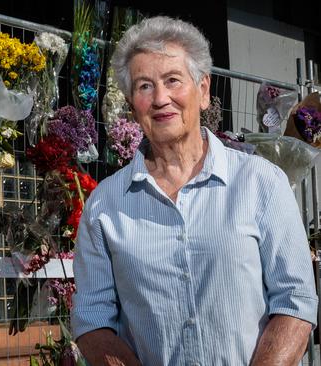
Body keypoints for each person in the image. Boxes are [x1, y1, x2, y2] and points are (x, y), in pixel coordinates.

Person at [72, 16, 318, 365]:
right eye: (144, 86)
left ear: (203, 91)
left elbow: (295, 301)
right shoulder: (105, 206)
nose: (160, 98)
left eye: (173, 80)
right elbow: (92, 319)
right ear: (131, 104)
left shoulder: (261, 182)